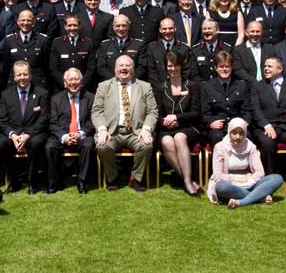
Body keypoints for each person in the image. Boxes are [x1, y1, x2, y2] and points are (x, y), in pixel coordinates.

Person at [92, 54, 158, 192]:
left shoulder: (145, 87)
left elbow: (152, 111)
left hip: (136, 132)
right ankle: (112, 177)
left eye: (128, 65)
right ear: (115, 69)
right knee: (102, 146)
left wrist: (146, 129)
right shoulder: (103, 86)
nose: (124, 68)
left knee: (146, 145)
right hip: (112, 131)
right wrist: (102, 129)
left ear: (133, 69)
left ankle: (135, 178)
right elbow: (97, 111)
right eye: (121, 65)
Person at [0, 60, 51, 193]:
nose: (22, 78)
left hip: (34, 133)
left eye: (25, 74)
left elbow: (44, 118)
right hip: (14, 133)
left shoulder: (42, 93)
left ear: (30, 75)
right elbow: (1, 120)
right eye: (19, 75)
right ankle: (14, 182)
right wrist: (13, 135)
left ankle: (33, 182)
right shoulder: (6, 94)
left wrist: (28, 134)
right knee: (0, 144)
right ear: (14, 77)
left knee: (36, 143)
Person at [206, 118, 283, 208]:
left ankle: (242, 202)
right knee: (221, 187)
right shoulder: (220, 147)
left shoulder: (250, 146)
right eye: (234, 133)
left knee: (277, 178)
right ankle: (259, 197)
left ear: (245, 133)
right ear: (229, 131)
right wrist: (237, 179)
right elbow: (218, 175)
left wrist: (249, 181)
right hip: (230, 184)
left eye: (241, 133)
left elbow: (260, 172)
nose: (238, 137)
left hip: (249, 182)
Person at [156, 51, 203, 196]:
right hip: (167, 128)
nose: (173, 69)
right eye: (170, 66)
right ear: (165, 67)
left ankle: (188, 183)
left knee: (179, 138)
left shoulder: (192, 86)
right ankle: (188, 180)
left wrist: (177, 117)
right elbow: (156, 113)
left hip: (188, 126)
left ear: (181, 66)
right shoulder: (160, 87)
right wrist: (165, 121)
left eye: (176, 65)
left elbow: (196, 112)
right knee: (167, 141)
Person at [249, 56, 286, 172]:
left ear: (280, 69)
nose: (265, 68)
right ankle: (270, 176)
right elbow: (255, 109)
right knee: (267, 143)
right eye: (265, 66)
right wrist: (266, 125)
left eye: (269, 66)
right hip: (266, 127)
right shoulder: (257, 86)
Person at [48, 68, 96, 193]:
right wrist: (64, 136)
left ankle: (82, 181)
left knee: (88, 145)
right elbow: (52, 123)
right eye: (70, 79)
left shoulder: (91, 98)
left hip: (83, 135)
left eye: (76, 79)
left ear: (81, 82)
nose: (73, 82)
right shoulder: (55, 99)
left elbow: (93, 121)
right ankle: (55, 182)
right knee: (50, 147)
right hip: (62, 135)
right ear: (65, 83)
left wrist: (80, 134)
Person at [200, 51, 252, 147]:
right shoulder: (207, 87)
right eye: (221, 66)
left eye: (227, 66)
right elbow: (205, 113)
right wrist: (211, 123)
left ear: (231, 68)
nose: (224, 69)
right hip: (218, 128)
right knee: (216, 137)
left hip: (238, 126)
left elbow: (247, 111)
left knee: (246, 136)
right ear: (216, 68)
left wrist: (242, 124)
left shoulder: (241, 85)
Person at [0, 9, 50, 89]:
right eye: (23, 20)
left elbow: (46, 65)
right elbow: (6, 66)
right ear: (18, 22)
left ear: (33, 22)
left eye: (28, 20)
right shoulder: (9, 40)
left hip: (37, 85)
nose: (25, 23)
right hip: (15, 84)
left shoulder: (43, 40)